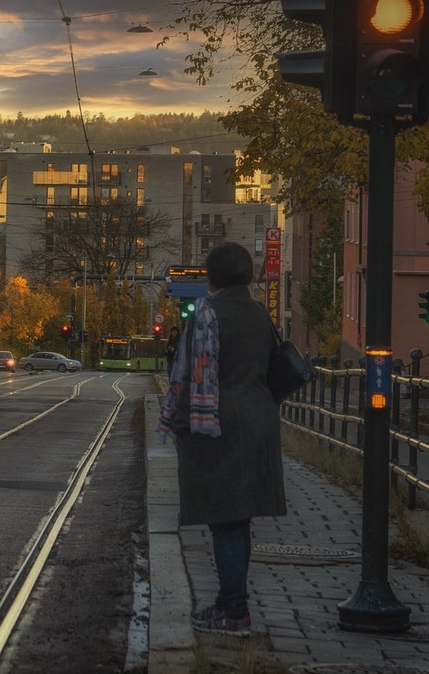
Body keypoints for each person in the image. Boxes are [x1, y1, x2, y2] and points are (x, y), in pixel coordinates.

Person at [156, 241, 285, 638]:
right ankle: (231, 602)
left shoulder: (207, 313)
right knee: (239, 519)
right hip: (259, 422)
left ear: (212, 277)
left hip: (217, 424)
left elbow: (189, 371)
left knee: (224, 520)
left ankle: (234, 610)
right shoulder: (261, 314)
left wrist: (176, 423)